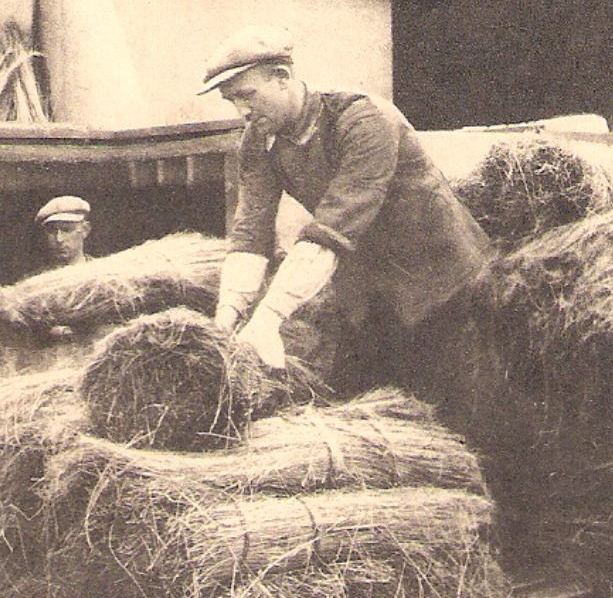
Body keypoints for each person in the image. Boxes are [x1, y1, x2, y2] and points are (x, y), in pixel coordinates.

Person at [202, 25, 493, 391]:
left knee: (445, 402)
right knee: (354, 398)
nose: (241, 110)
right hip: (369, 292)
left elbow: (335, 224)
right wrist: (224, 322)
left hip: (443, 284)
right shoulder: (259, 141)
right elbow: (250, 231)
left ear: (282, 77)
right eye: (231, 101)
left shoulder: (363, 119)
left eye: (248, 95)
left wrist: (270, 316)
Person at [34, 194, 93, 268]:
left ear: (85, 230)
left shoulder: (103, 274)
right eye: (51, 231)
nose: (59, 239)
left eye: (66, 230)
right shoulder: (39, 278)